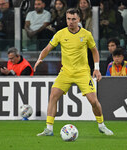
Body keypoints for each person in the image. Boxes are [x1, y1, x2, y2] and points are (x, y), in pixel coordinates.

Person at [34, 8, 114, 136]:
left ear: (79, 20)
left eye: (73, 19)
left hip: (82, 72)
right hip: (65, 72)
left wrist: (97, 68)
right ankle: (49, 128)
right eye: (68, 19)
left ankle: (101, 125)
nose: (70, 22)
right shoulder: (60, 34)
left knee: (93, 101)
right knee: (53, 95)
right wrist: (40, 59)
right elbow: (48, 48)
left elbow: (94, 51)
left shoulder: (86, 34)